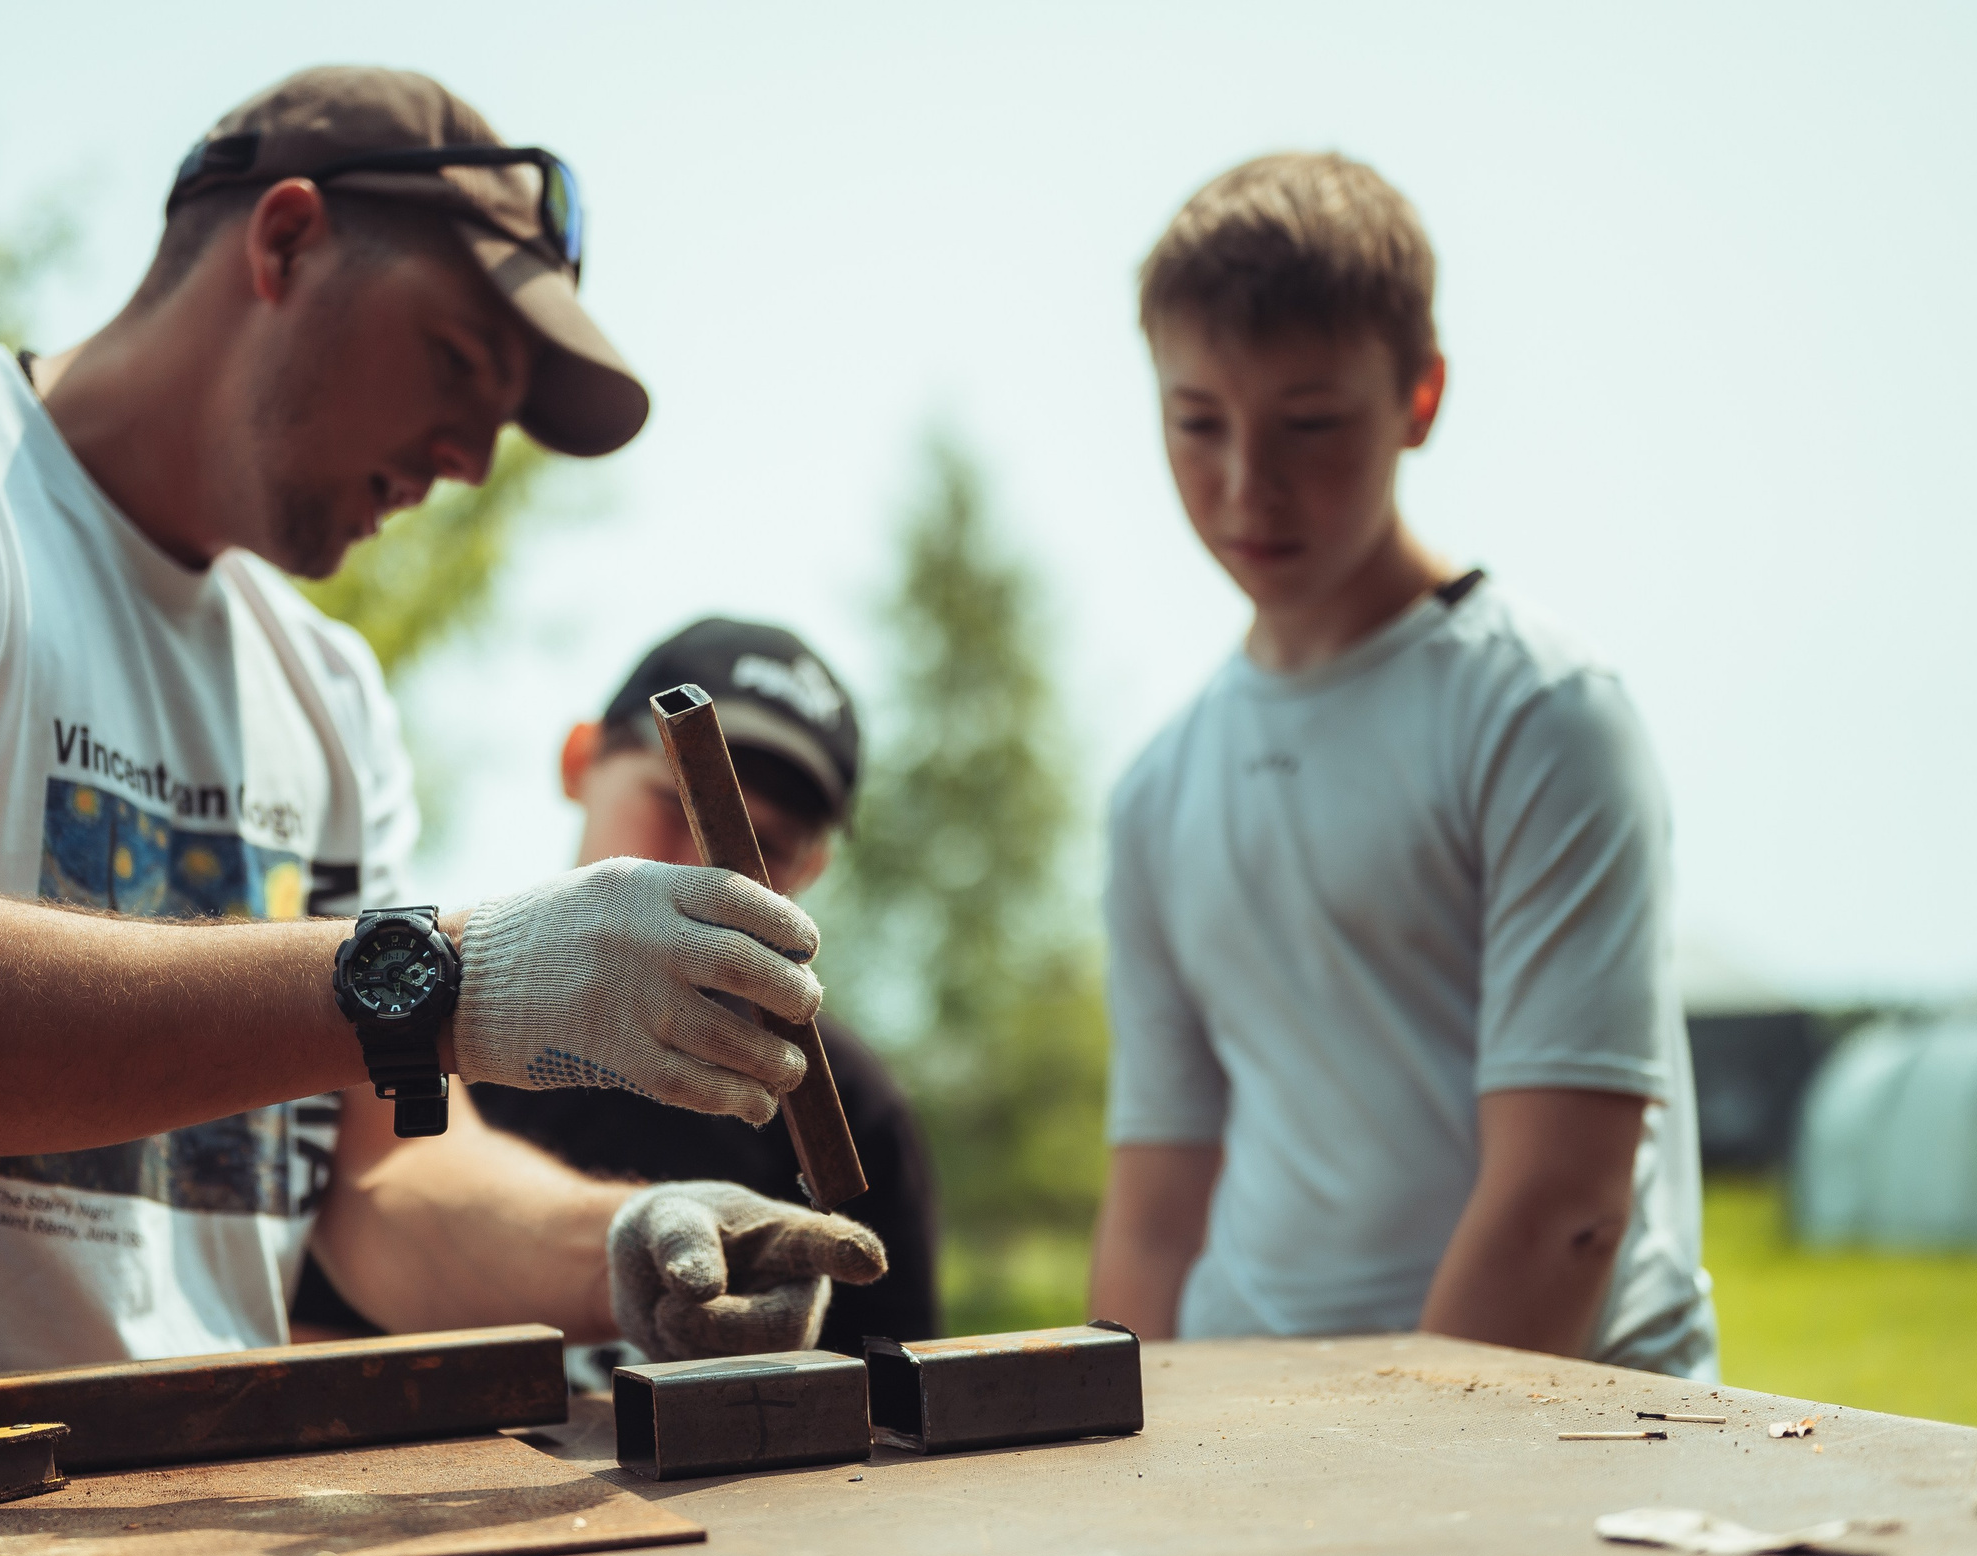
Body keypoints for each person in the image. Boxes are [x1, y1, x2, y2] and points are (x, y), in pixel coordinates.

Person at [0, 66, 882, 1406]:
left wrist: (620, 1251)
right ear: (284, 239)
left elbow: (384, 1180)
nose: (476, 456)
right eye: (459, 360)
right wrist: (445, 980)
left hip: (169, 1543)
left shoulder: (328, 692)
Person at [1086, 153, 1715, 1378]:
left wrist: (1393, 1478)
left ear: (1419, 397)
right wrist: (1117, 1470)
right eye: (1195, 421)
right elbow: (1155, 1207)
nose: (1243, 484)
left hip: (1562, 1442)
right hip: (1254, 1451)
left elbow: (1564, 1207)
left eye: (1308, 424)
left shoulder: (1539, 712)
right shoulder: (1156, 789)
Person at [294, 620, 941, 1363]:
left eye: (769, 846)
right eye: (677, 803)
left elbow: (898, 1411)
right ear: (578, 760)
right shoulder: (421, 1034)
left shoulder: (852, 1111)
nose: (711, 868)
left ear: (814, 869)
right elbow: (306, 1323)